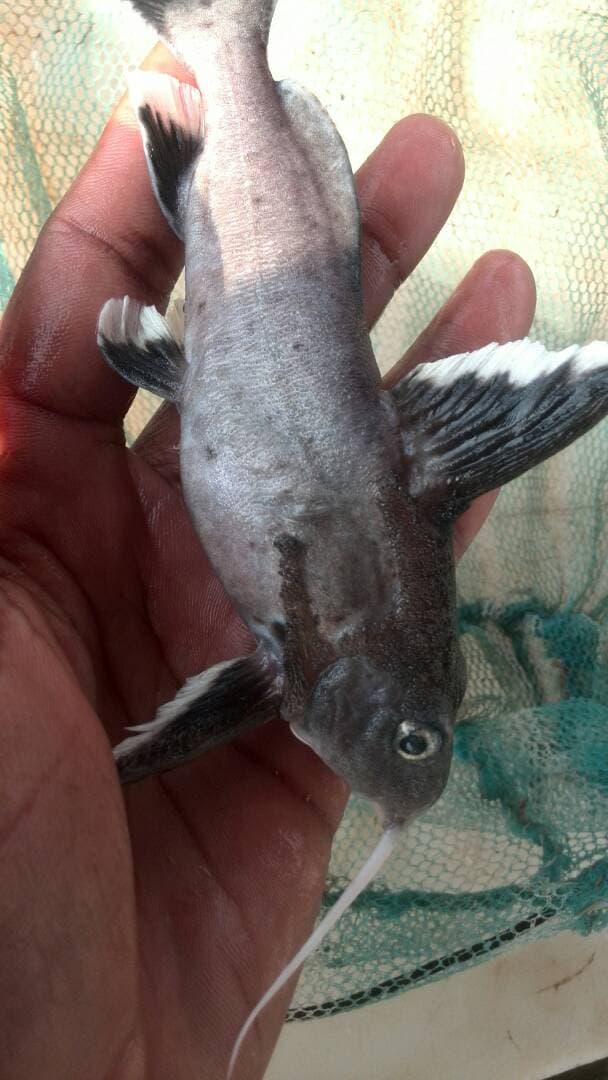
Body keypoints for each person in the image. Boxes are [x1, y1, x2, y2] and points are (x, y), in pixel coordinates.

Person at [0, 43, 536, 1080]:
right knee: (221, 72)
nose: (407, 748)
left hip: (229, 373)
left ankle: (210, 97)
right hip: (249, 368)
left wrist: (115, 767)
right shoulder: (311, 662)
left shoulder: (292, 674)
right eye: (412, 737)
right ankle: (221, 62)